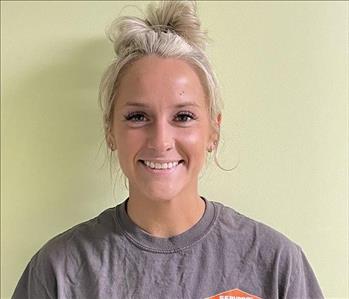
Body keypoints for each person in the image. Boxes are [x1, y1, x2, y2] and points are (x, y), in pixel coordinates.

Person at [12, 1, 324, 298]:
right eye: (138, 116)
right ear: (110, 131)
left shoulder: (277, 265)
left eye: (183, 117)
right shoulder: (58, 270)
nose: (161, 140)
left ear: (213, 131)